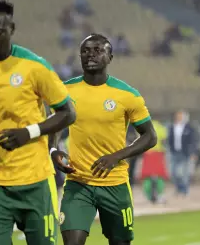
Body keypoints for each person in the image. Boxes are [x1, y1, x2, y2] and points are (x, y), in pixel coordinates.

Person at [0, 0, 76, 245]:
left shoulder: (35, 67)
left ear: (12, 30)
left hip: (35, 180)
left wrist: (27, 133)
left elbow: (67, 113)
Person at [50, 34, 157, 245]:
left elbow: (150, 136)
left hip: (114, 184)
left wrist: (116, 157)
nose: (91, 55)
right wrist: (53, 151)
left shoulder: (127, 95)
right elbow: (54, 124)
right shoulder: (65, 91)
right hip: (78, 182)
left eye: (98, 50)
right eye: (85, 51)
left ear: (110, 57)